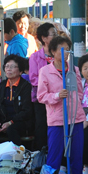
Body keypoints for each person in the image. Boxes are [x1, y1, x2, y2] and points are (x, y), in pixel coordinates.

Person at [37, 36, 86, 174]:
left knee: (77, 158)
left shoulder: (74, 69)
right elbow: (41, 96)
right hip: (56, 119)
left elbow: (79, 91)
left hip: (75, 118)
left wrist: (74, 103)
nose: (65, 53)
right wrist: (57, 96)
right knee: (54, 158)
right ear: (53, 51)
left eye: (67, 49)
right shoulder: (45, 71)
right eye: (61, 49)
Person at [29, 22, 57, 152]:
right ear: (44, 38)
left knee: (56, 127)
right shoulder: (35, 57)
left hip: (58, 99)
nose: (57, 36)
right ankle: (41, 157)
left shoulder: (60, 56)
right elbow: (34, 78)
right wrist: (50, 84)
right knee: (41, 127)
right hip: (41, 99)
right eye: (53, 34)